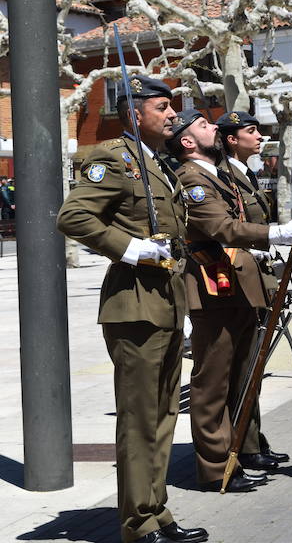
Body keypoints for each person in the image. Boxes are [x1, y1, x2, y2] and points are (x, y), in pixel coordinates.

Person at [57, 75, 208, 543]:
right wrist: (129, 248)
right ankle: (137, 522)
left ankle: (155, 511)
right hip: (134, 306)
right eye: (162, 107)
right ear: (134, 113)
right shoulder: (112, 159)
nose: (171, 114)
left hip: (165, 302)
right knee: (140, 417)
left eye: (172, 107)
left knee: (163, 415)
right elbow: (73, 216)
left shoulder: (156, 164)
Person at [170, 110, 292, 493]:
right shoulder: (192, 178)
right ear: (187, 141)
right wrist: (277, 233)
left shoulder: (213, 173)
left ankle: (238, 449)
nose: (214, 128)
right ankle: (217, 467)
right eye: (204, 126)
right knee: (213, 382)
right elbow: (220, 227)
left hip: (235, 283)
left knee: (240, 375)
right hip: (211, 285)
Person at [215, 110, 292, 470]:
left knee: (253, 366)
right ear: (232, 139)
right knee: (245, 367)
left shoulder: (247, 174)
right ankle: (246, 445)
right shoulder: (223, 175)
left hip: (259, 275)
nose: (259, 136)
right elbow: (234, 229)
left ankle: (253, 439)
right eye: (251, 131)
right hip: (240, 278)